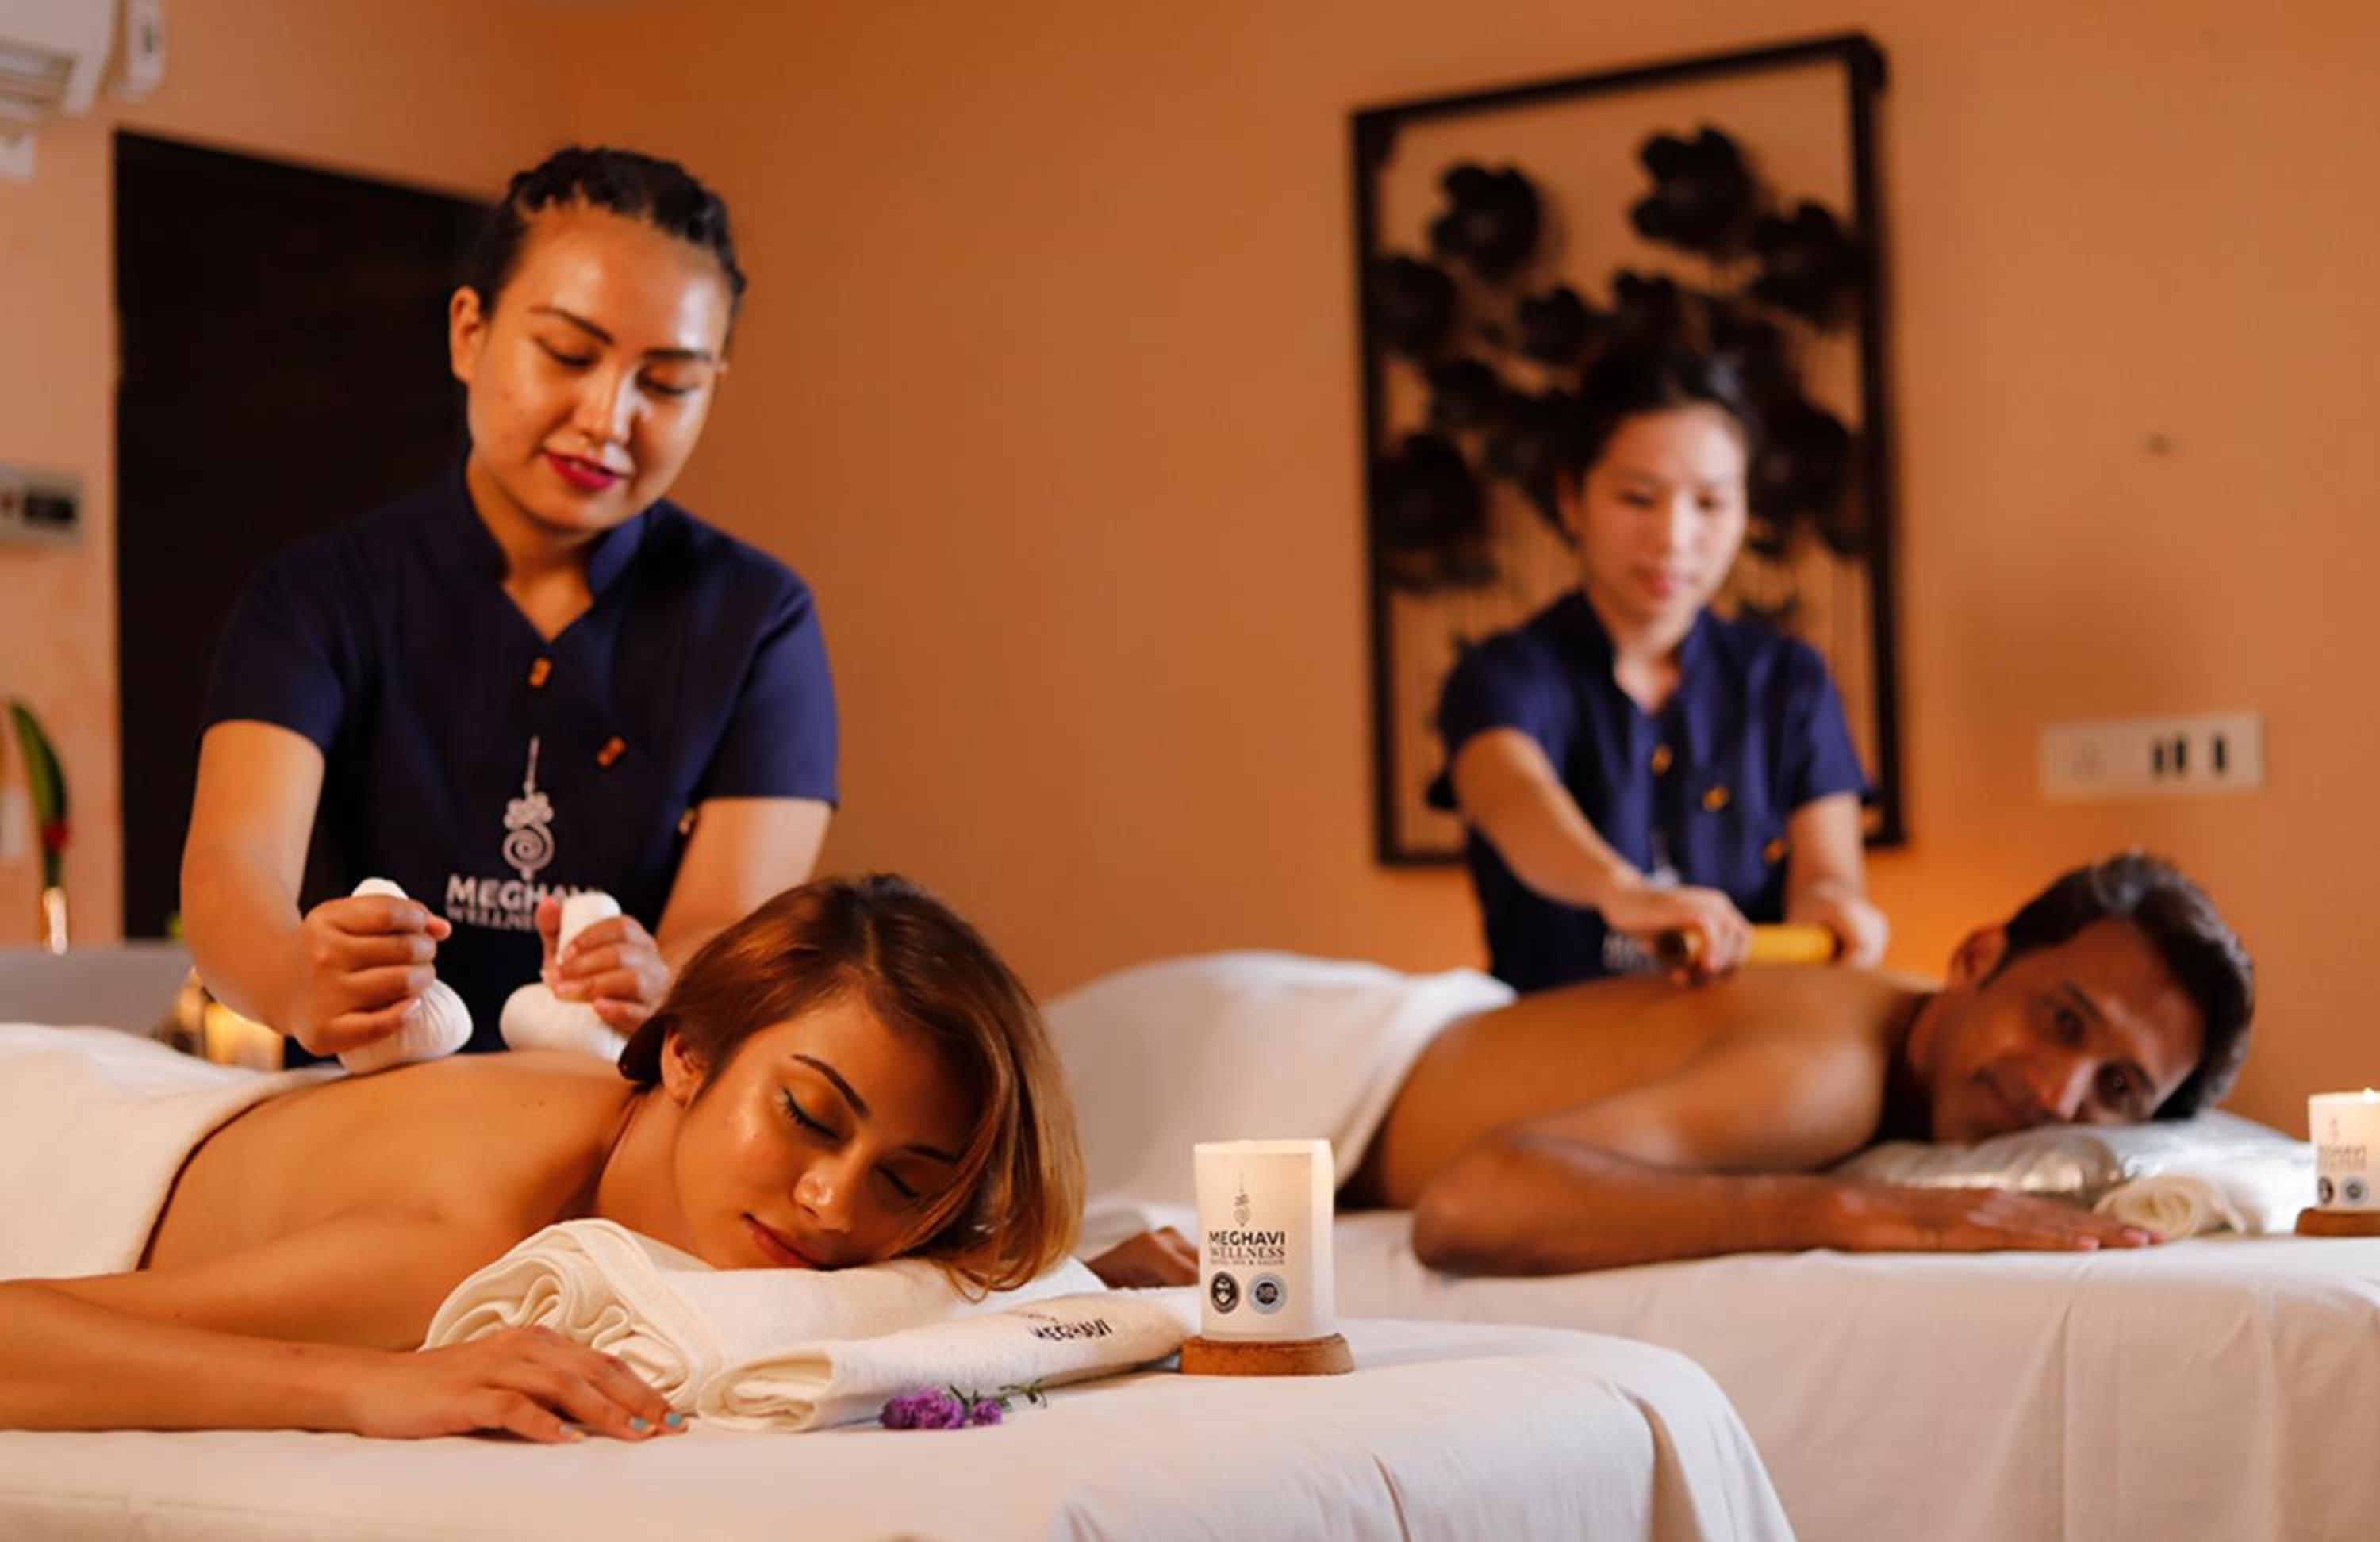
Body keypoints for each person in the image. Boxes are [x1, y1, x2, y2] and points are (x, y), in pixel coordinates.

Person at [0, 874, 1085, 1439]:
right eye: (808, 1115)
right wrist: (372, 1384)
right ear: (687, 1055)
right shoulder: (465, 1233)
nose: (834, 1206)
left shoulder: (627, 1138)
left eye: (904, 1180)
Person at [181, 146, 835, 1064]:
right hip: (359, 1107)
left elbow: (728, 924)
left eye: (667, 384)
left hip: (611, 1113)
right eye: (569, 354)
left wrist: (662, 977)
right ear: (469, 332)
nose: (608, 418)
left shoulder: (758, 621)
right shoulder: (317, 597)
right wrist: (292, 975)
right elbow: (233, 868)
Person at [1046, 853, 2252, 1280]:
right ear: (1979, 958)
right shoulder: (1828, 1073)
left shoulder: (1883, 1045)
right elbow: (1470, 1207)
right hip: (1252, 1061)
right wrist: (1849, 1214)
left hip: (1335, 1030)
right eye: (2061, 1019)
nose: (2057, 1095)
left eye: (2118, 1091)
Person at [1430, 344, 1883, 991]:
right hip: (1550, 1035)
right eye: (1639, 498)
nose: (1673, 537)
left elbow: (1827, 876)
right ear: (1572, 499)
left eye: (1710, 503)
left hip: (1743, 1034)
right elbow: (1511, 795)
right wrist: (1622, 892)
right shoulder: (1504, 675)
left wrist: (1834, 911)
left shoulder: (1789, 679)